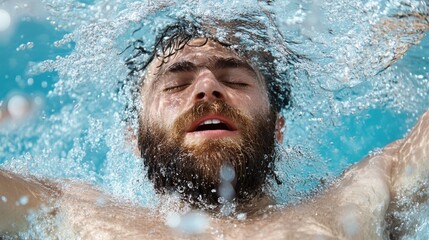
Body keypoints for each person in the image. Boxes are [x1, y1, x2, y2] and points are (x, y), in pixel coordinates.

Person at [1, 15, 429, 239]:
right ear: (133, 137)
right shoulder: (72, 210)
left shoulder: (363, 191)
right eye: (176, 82)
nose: (207, 88)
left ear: (278, 127)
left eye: (236, 79)